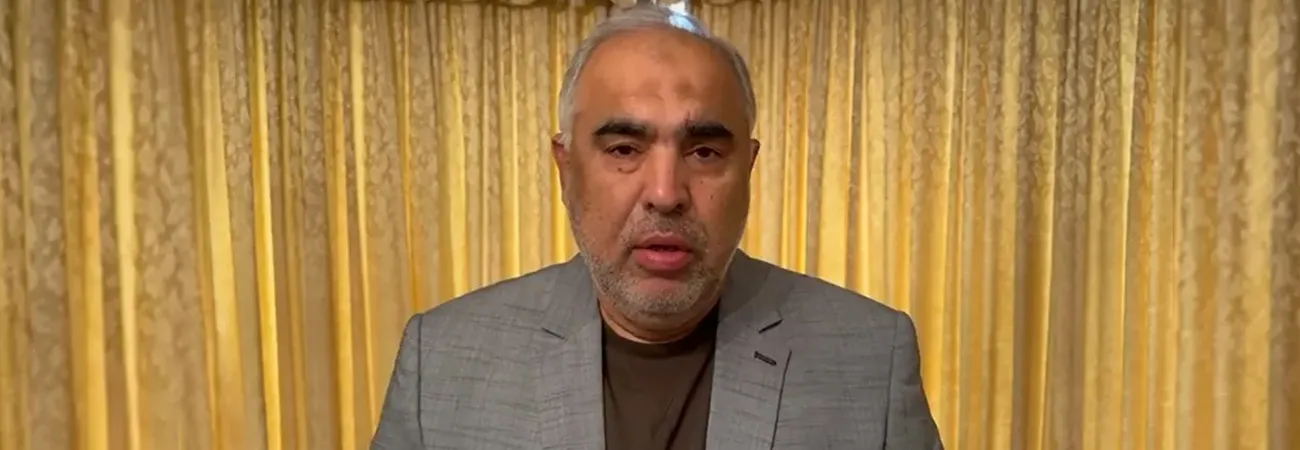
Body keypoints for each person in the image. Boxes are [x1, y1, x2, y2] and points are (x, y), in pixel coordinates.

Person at [371, 4, 942, 450]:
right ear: (566, 170)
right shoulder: (442, 361)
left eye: (704, 152)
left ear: (748, 170)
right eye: (624, 148)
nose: (666, 194)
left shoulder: (871, 357)